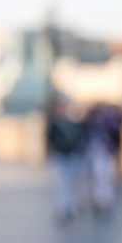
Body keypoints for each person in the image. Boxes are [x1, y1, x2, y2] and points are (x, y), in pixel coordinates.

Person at [45, 93, 88, 224]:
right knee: (61, 183)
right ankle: (62, 208)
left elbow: (80, 137)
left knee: (72, 183)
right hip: (60, 155)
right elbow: (49, 139)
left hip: (72, 155)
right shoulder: (54, 122)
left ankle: (70, 207)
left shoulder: (74, 121)